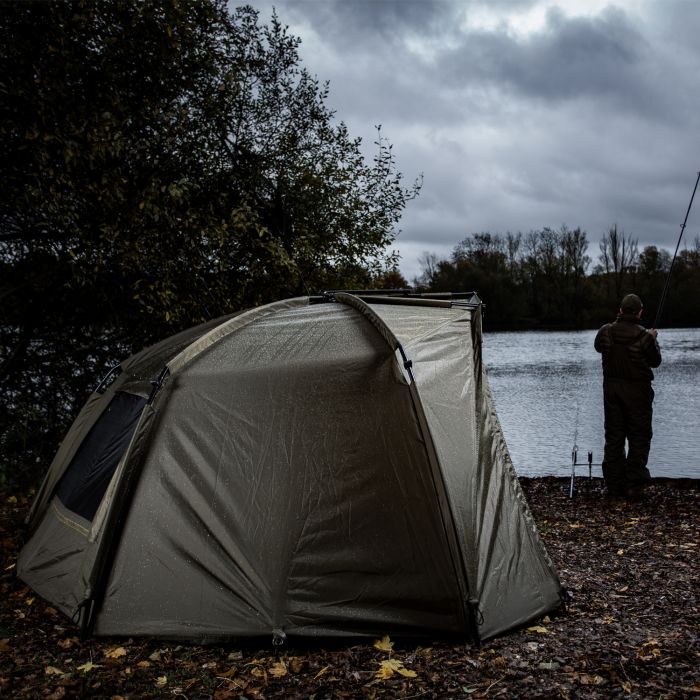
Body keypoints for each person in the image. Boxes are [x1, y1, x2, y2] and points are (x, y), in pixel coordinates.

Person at [594, 293, 662, 499]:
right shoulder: (644, 337)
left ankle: (614, 485)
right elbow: (655, 361)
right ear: (639, 313)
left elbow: (597, 347)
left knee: (614, 437)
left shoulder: (605, 331)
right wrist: (653, 339)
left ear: (621, 310)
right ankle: (634, 484)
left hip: (612, 393)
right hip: (638, 394)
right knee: (639, 437)